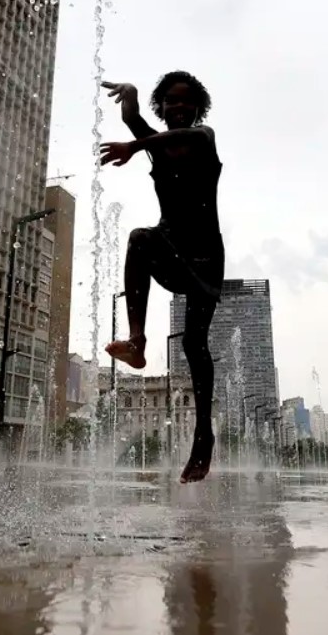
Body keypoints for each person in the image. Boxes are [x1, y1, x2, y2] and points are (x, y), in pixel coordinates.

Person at [99, 71, 223, 483]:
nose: (179, 107)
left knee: (193, 341)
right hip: (170, 243)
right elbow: (134, 121)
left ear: (197, 107)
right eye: (170, 101)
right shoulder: (159, 145)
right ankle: (137, 341)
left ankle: (203, 435)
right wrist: (131, 96)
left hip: (204, 254)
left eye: (186, 101)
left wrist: (136, 145)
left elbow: (154, 139)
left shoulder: (204, 136)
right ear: (162, 106)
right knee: (138, 239)